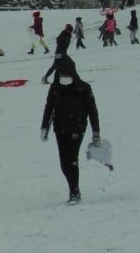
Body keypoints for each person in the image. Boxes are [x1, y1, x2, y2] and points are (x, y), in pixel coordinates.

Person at [40, 58, 100, 205]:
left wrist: (96, 132)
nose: (64, 79)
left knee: (72, 159)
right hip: (60, 128)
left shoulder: (84, 88)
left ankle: (74, 192)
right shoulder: (55, 89)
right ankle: (73, 187)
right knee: (64, 163)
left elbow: (93, 111)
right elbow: (49, 108)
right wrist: (44, 127)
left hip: (77, 127)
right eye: (62, 76)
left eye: (67, 76)